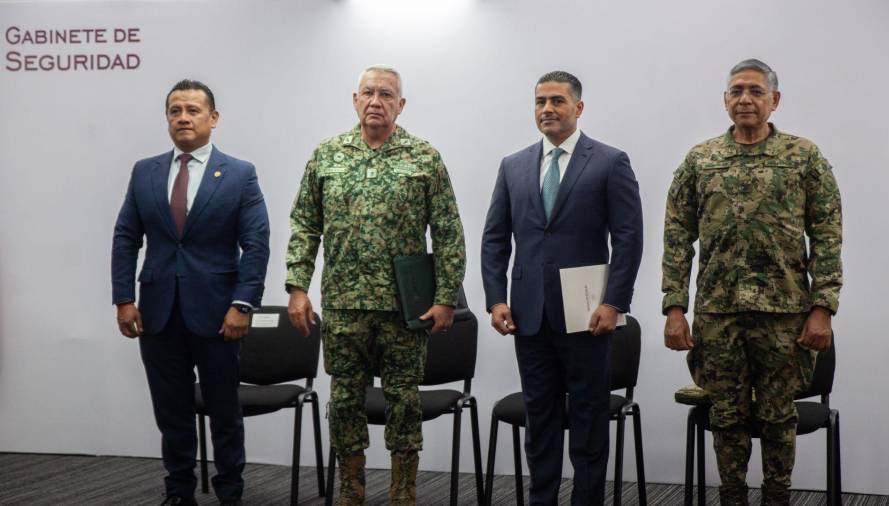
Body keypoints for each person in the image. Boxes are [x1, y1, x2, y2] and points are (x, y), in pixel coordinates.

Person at [662, 59, 843, 506]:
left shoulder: (804, 157)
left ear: (774, 100)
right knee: (726, 416)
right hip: (718, 314)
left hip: (785, 313)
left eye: (756, 91)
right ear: (725, 101)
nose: (746, 98)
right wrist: (674, 308)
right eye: (737, 91)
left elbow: (827, 233)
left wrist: (823, 307)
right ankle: (732, 497)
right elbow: (676, 237)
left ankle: (777, 497)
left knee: (778, 417)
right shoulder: (701, 160)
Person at [285, 65, 465, 506]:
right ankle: (351, 490)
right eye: (368, 92)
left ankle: (403, 492)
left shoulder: (424, 157)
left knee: (404, 401)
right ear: (354, 99)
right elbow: (305, 225)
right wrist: (297, 286)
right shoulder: (327, 155)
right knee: (344, 400)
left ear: (400, 105)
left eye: (386, 94)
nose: (376, 101)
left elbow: (448, 232)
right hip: (345, 306)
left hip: (404, 308)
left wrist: (445, 298)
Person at [481, 71, 643, 505]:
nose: (547, 109)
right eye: (539, 102)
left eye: (556, 101)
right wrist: (496, 298)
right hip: (529, 316)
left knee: (589, 419)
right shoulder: (513, 166)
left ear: (578, 107)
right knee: (540, 419)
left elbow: (628, 239)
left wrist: (614, 303)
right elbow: (495, 239)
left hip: (587, 315)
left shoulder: (610, 162)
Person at [111, 79, 270, 506]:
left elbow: (256, 243)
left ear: (213, 119)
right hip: (157, 312)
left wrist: (243, 303)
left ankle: (230, 492)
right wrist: (124, 298)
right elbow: (127, 236)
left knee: (223, 412)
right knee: (172, 412)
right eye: (175, 110)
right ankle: (178, 491)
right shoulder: (145, 171)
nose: (183, 117)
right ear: (167, 119)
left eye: (193, 110)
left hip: (219, 314)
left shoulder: (239, 173)